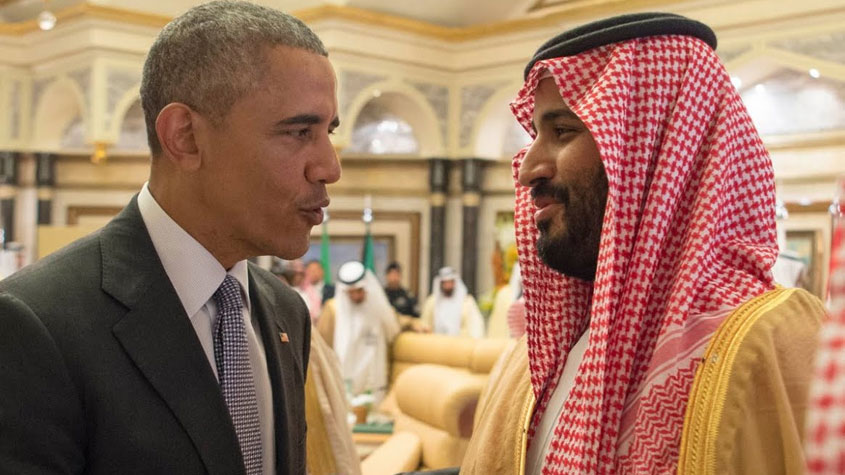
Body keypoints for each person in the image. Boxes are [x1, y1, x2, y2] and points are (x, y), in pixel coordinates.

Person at [460, 13, 827, 474]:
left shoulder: (772, 343)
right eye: (535, 135)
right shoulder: (536, 361)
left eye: (563, 131)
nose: (528, 168)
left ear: (652, 148)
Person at [0, 2, 340, 474]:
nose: (330, 167)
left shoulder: (286, 312)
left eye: (329, 132)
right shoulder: (35, 324)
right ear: (185, 137)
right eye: (300, 131)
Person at [317, 261, 400, 404]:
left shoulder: (378, 307)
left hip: (373, 381)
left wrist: (415, 324)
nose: (356, 296)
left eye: (359, 291)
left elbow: (396, 322)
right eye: (351, 292)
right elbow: (322, 347)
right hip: (344, 382)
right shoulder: (332, 310)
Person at [420, 266, 485, 338]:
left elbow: (476, 324)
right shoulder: (432, 301)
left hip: (460, 341)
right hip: (437, 341)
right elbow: (425, 323)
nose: (448, 285)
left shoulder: (467, 301)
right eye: (445, 283)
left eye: (450, 282)